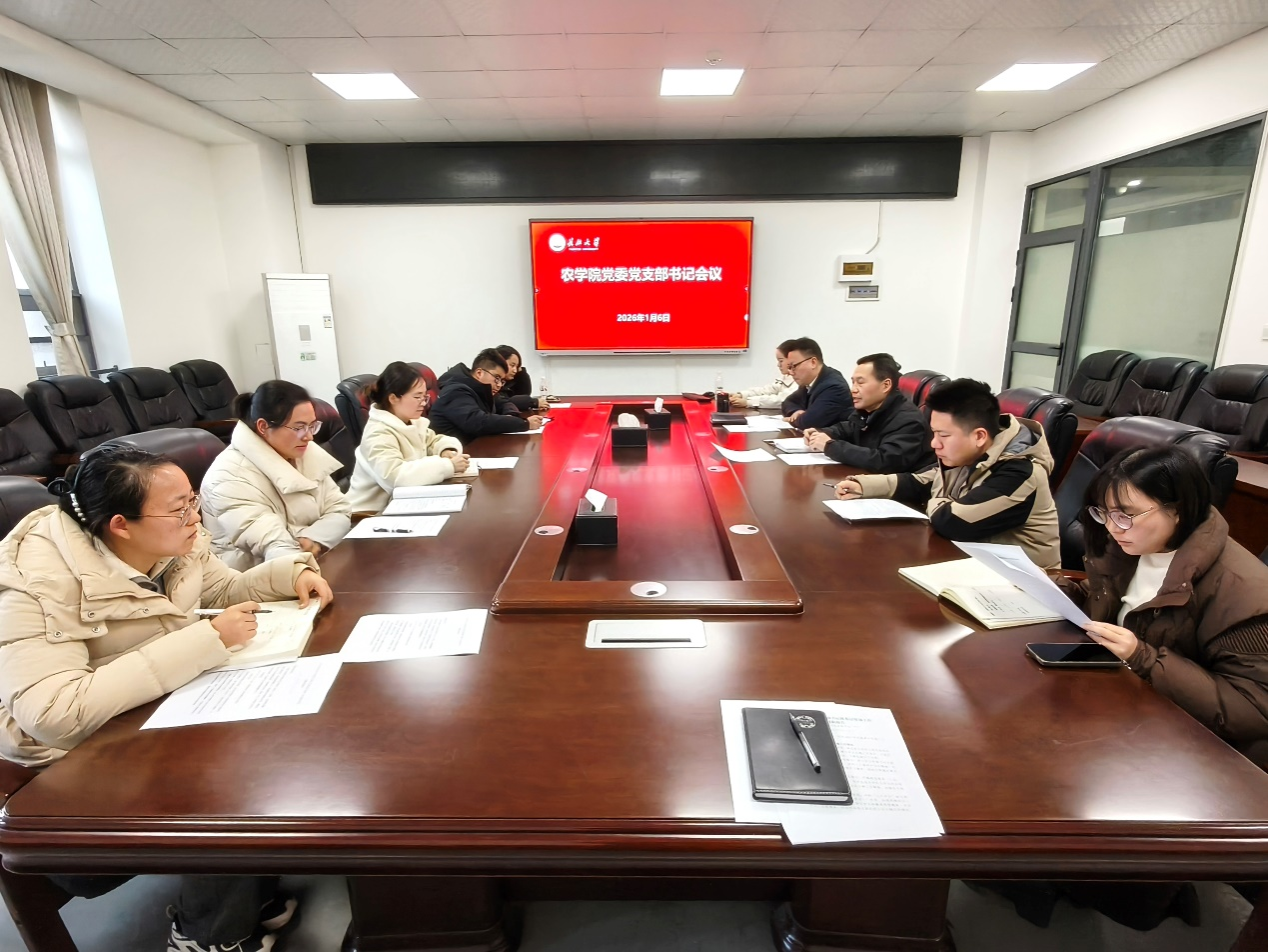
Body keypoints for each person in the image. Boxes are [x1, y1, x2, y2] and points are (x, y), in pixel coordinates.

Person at [0, 442, 333, 951]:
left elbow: (220, 590)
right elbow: (52, 713)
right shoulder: (34, 581)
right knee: (224, 773)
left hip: (143, 707)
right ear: (121, 525)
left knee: (277, 730)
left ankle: (243, 891)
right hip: (59, 762)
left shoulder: (174, 541)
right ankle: (206, 934)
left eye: (193, 501)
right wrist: (204, 640)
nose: (196, 517)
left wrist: (291, 574)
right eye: (180, 509)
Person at [1073, 445, 1268, 765]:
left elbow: (1254, 708)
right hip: (1125, 706)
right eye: (1104, 513)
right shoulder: (1133, 544)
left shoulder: (1243, 593)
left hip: (1199, 753)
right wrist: (1062, 591)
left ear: (1177, 510)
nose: (1112, 527)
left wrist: (1144, 659)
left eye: (1125, 515)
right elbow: (1111, 598)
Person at [836, 378, 1059, 571]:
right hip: (975, 566)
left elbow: (953, 522)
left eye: (943, 435)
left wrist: (937, 500)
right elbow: (921, 482)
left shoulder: (1020, 472)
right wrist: (864, 486)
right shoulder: (974, 453)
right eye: (934, 433)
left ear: (979, 436)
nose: (934, 444)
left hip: (1024, 585)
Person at [201, 380, 351, 570]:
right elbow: (273, 545)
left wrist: (313, 539)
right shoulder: (229, 475)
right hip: (254, 576)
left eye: (312, 426)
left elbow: (339, 509)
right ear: (263, 426)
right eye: (298, 428)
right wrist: (308, 544)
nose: (309, 436)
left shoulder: (300, 452)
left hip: (309, 561)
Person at [348, 361, 470, 513]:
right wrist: (447, 466)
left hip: (405, 502)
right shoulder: (378, 433)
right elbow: (396, 477)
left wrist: (445, 450)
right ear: (393, 398)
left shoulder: (410, 421)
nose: (424, 403)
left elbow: (432, 440)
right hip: (371, 513)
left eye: (425, 397)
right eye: (417, 397)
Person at [801, 353, 935, 472]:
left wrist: (830, 446)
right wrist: (821, 433)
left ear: (886, 385)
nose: (853, 390)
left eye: (860, 383)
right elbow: (847, 428)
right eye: (853, 383)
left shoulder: (907, 419)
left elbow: (885, 461)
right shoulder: (868, 410)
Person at [430, 348, 544, 444]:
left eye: (502, 380)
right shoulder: (456, 391)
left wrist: (511, 415)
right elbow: (478, 422)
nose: (499, 385)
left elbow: (503, 403)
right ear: (479, 373)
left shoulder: (481, 388)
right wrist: (524, 424)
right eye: (497, 378)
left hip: (475, 447)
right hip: (456, 453)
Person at [778, 337, 852, 430]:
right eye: (789, 367)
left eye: (794, 366)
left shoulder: (834, 386)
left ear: (813, 362)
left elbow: (809, 422)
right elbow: (788, 402)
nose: (791, 372)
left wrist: (792, 419)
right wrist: (796, 411)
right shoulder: (809, 382)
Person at [727, 340, 798, 409]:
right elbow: (766, 390)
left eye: (781, 361)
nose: (778, 365)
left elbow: (780, 400)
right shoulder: (786, 378)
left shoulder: (799, 381)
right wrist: (741, 395)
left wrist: (748, 402)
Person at [495, 344, 549, 413]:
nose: (515, 370)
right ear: (500, 362)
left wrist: (521, 372)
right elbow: (505, 402)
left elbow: (524, 393)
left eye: (517, 366)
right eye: (512, 365)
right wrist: (533, 402)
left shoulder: (507, 382)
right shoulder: (492, 382)